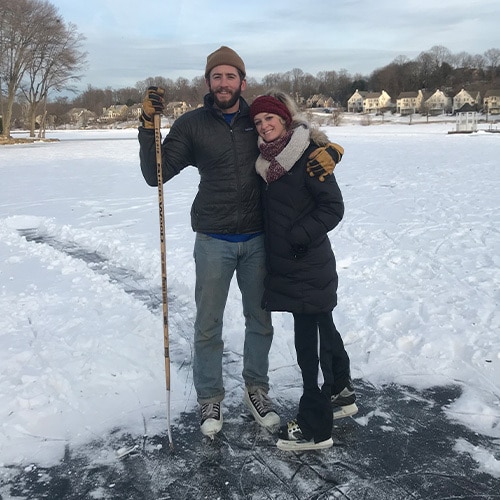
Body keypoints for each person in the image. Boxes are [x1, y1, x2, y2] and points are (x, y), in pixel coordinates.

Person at [138, 46, 339, 438]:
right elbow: (155, 173)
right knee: (208, 324)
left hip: (259, 239)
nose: (224, 83)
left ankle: (256, 389)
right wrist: (148, 126)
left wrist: (331, 150)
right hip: (213, 238)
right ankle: (209, 396)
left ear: (242, 82)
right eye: (217, 77)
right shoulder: (193, 125)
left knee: (260, 322)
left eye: (231, 76)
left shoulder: (257, 119)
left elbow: (297, 135)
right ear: (208, 83)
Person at [249, 90, 358, 451]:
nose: (264, 126)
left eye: (270, 119)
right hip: (293, 266)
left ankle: (314, 427)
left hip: (307, 262)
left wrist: (299, 234)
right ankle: (341, 391)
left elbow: (333, 208)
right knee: (322, 329)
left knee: (308, 344)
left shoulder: (309, 156)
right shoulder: (266, 162)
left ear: (285, 120)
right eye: (258, 121)